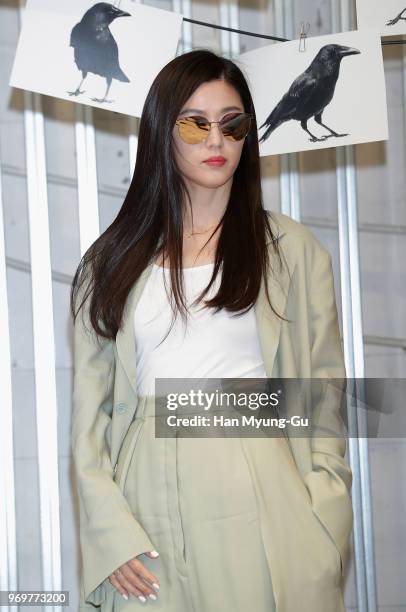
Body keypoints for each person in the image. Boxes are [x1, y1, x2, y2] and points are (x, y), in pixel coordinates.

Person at [70, 49, 353, 612]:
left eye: (233, 124)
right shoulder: (110, 262)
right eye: (195, 123)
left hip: (263, 485)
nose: (215, 141)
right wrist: (109, 531)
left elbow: (322, 399)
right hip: (143, 497)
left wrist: (323, 519)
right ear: (162, 131)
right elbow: (89, 417)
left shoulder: (292, 251)